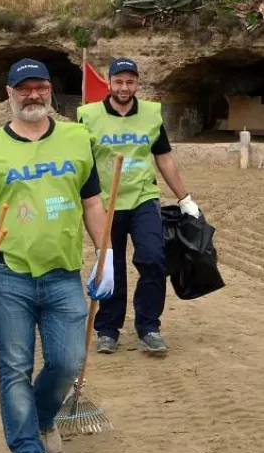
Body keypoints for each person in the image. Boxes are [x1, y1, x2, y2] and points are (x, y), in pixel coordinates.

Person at [0, 59, 114, 453]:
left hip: (64, 272)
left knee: (67, 361)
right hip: (10, 273)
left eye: (40, 87)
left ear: (50, 90)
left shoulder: (77, 140)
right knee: (14, 366)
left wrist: (106, 256)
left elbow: (92, 203)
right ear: (9, 94)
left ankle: (44, 418)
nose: (33, 95)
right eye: (23, 88)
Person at [77, 57, 200, 357]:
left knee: (153, 258)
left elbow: (164, 158)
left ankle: (149, 327)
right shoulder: (88, 116)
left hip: (143, 198)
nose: (124, 87)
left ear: (137, 84)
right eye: (119, 81)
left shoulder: (150, 115)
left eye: (130, 82)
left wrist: (184, 198)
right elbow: (80, 161)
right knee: (111, 265)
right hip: (105, 203)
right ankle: (108, 329)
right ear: (109, 82)